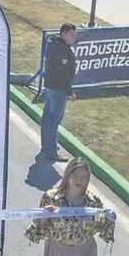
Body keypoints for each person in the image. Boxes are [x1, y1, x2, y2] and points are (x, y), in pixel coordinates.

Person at [39, 23, 78, 163]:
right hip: (57, 89)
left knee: (47, 118)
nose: (74, 37)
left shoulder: (55, 44)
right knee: (54, 120)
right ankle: (50, 150)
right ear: (63, 34)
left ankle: (46, 145)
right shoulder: (61, 49)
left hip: (51, 86)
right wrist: (69, 92)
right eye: (71, 34)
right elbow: (62, 73)